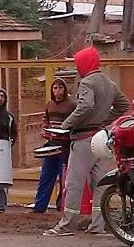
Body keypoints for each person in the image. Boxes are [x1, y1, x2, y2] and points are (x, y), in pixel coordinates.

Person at [44, 46, 129, 237]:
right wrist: (105, 120)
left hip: (83, 139)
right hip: (101, 139)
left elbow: (86, 105)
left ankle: (66, 225)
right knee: (100, 184)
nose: (77, 68)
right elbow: (123, 104)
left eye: (78, 64)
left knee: (73, 183)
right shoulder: (109, 83)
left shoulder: (87, 83)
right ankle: (98, 225)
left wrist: (66, 124)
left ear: (84, 64)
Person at [32, 78, 76, 213]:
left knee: (64, 177)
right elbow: (45, 118)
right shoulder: (49, 104)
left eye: (60, 88)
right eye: (55, 88)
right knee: (46, 176)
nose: (57, 91)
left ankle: (61, 206)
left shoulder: (72, 104)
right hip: (51, 143)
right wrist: (45, 128)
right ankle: (39, 207)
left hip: (65, 145)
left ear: (65, 89)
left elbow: (76, 120)